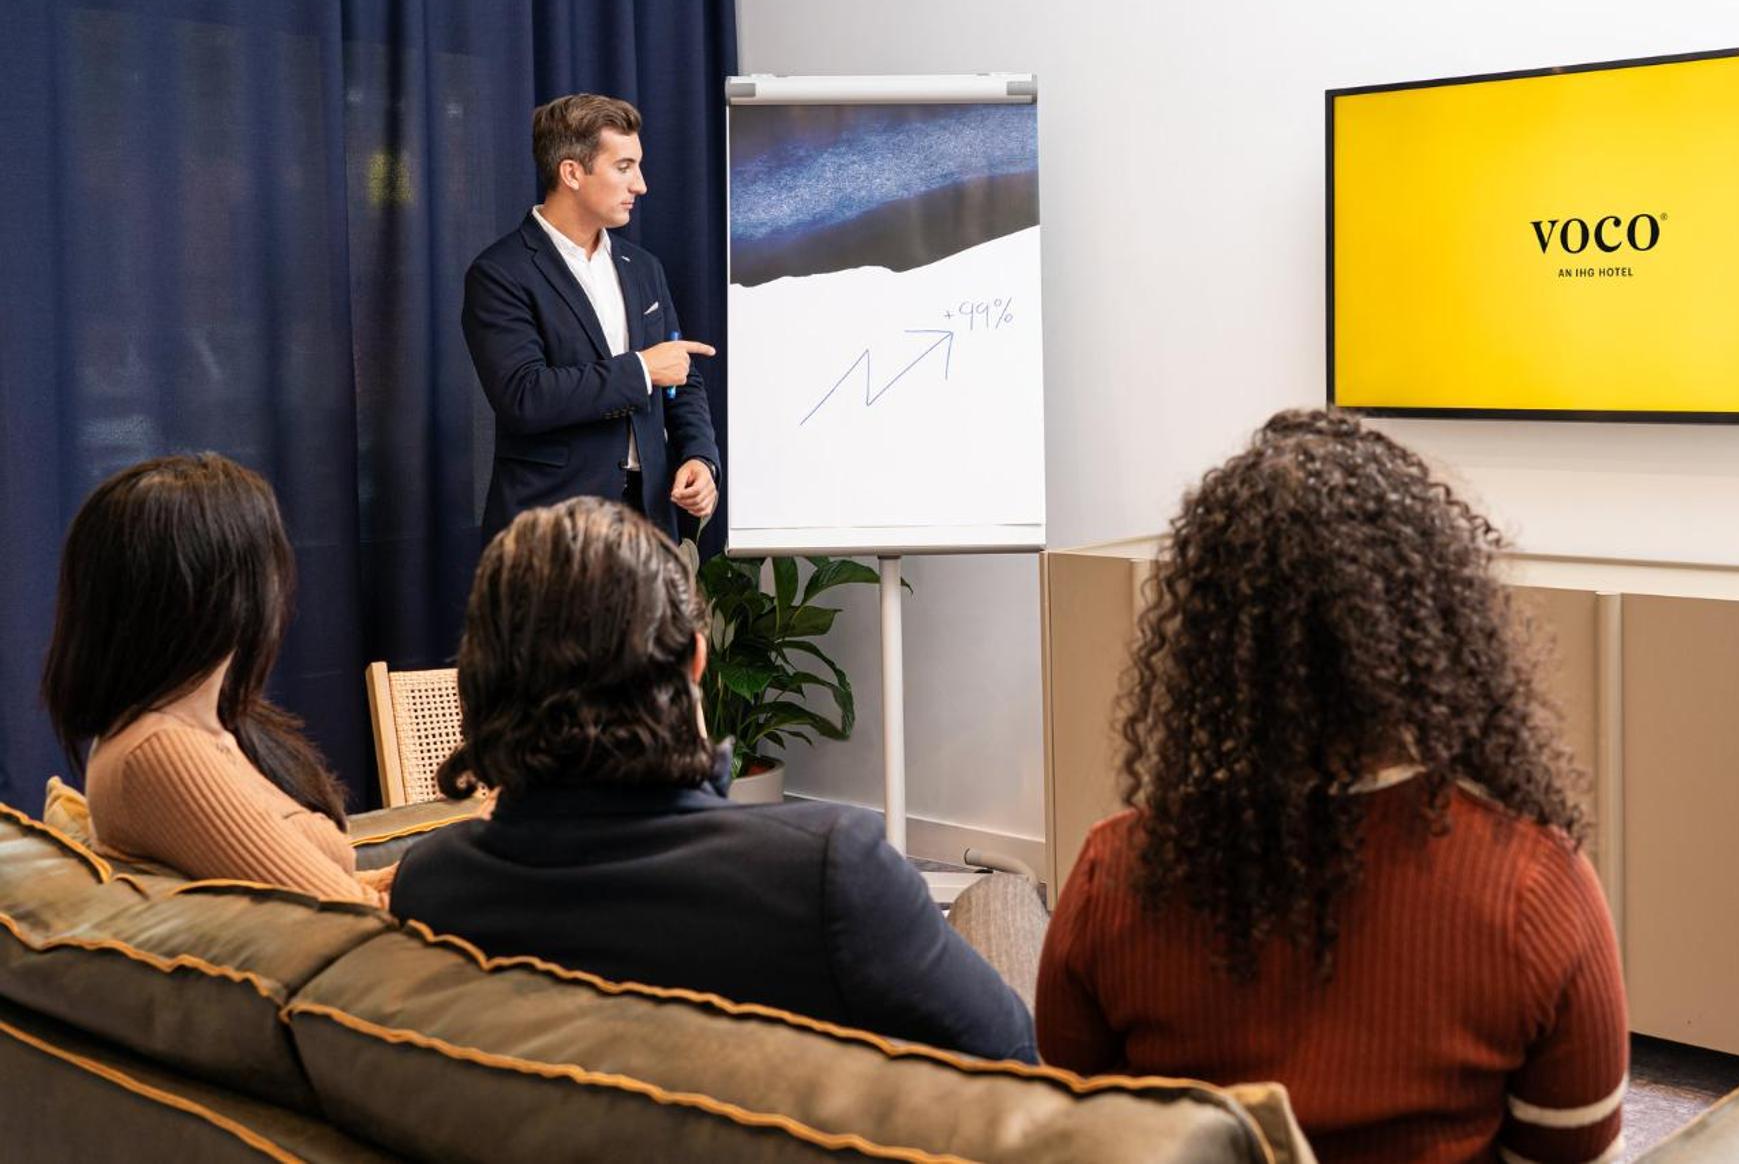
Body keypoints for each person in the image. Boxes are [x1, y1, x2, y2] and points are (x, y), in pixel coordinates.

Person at [1035, 410, 1626, 1164]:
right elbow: (1571, 1153)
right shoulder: (1536, 888)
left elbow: (1078, 1136)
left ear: (1211, 641)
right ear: (1432, 624)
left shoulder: (1115, 873)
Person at [389, 497, 1036, 1063]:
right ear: (694, 663)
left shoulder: (432, 887)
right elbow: (1018, 1072)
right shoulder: (827, 870)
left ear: (480, 680)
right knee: (1002, 900)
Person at [41, 454, 386, 904]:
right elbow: (347, 916)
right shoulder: (158, 751)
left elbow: (332, 893)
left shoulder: (219, 728)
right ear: (225, 590)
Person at [462, 93, 721, 545]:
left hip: (648, 523)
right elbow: (524, 396)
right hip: (551, 532)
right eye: (624, 167)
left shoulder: (644, 268)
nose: (641, 185)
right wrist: (642, 369)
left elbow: (680, 375)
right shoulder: (499, 273)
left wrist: (700, 457)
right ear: (572, 173)